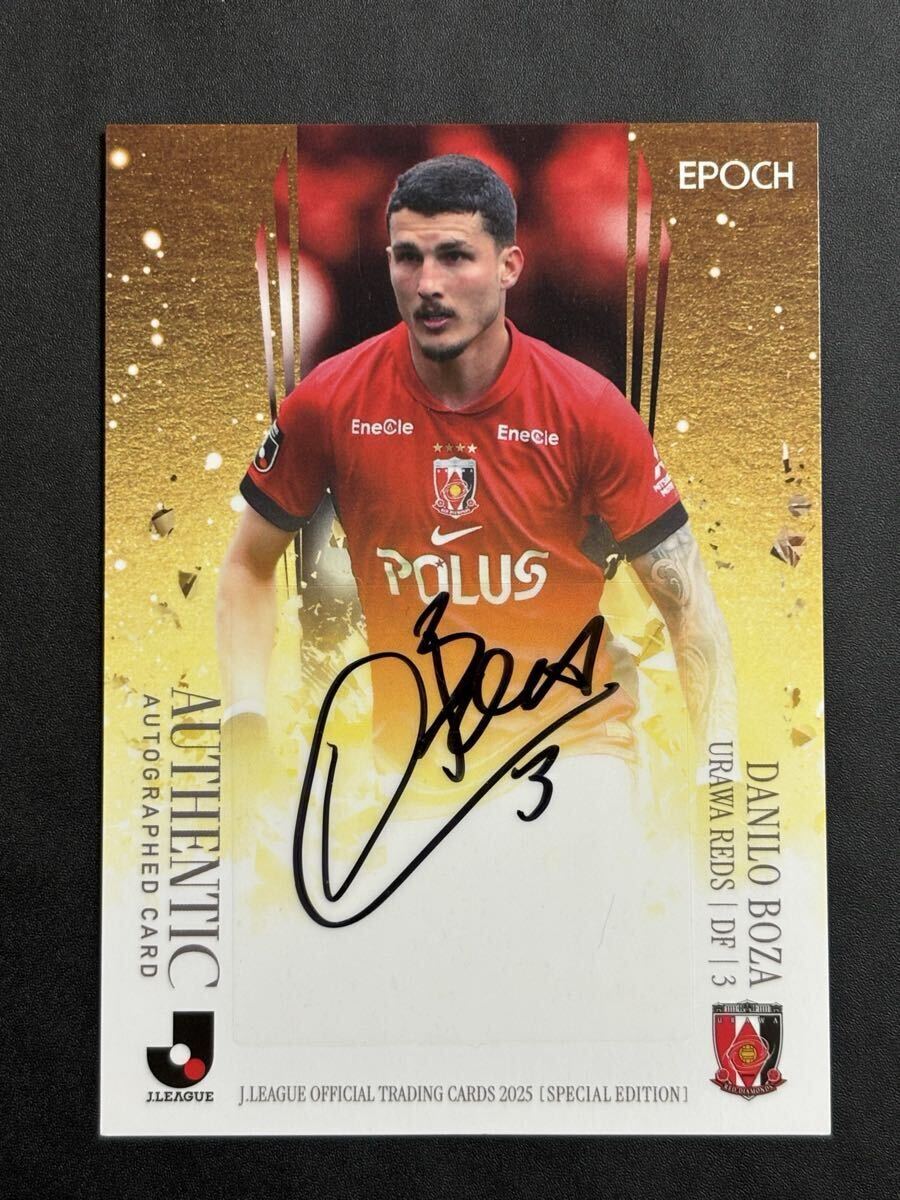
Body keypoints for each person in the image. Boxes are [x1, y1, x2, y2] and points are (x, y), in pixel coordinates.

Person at [218, 153, 735, 778]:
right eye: (408, 258)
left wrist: (720, 772)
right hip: (412, 773)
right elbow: (248, 563)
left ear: (509, 265)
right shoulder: (329, 400)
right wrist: (243, 717)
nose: (428, 283)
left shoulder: (589, 407)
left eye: (455, 257)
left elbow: (688, 605)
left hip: (574, 755)